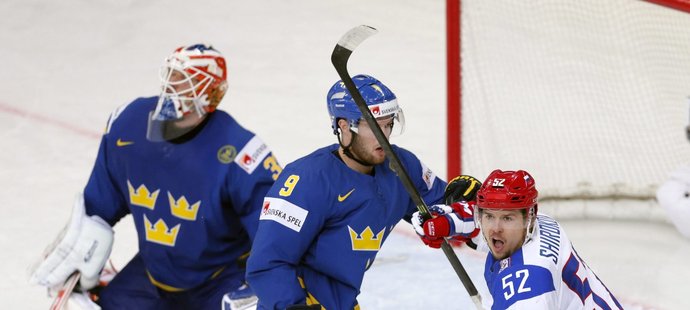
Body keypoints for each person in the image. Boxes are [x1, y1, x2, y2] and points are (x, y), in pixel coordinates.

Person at [29, 44, 282, 309]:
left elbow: (277, 235)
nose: (174, 87)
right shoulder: (128, 124)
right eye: (172, 76)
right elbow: (100, 202)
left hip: (221, 281)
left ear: (213, 94)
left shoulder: (243, 154)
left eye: (188, 81)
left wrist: (261, 287)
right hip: (154, 277)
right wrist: (82, 248)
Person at [245, 74, 470, 309]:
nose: (384, 135)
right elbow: (267, 263)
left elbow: (448, 209)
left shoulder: (401, 167)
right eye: (374, 126)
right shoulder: (306, 179)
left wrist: (471, 201)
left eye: (388, 124)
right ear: (344, 126)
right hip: (302, 302)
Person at [414, 169, 622, 309]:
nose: (495, 229)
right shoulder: (542, 223)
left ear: (528, 217)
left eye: (507, 218)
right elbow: (476, 222)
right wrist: (445, 220)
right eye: (488, 216)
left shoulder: (528, 287)